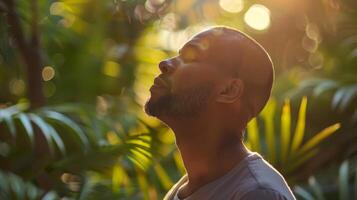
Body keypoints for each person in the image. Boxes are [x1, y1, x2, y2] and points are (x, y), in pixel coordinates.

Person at [144, 26, 296, 200]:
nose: (164, 64)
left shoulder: (257, 193)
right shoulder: (178, 193)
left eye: (190, 58)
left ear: (228, 90)